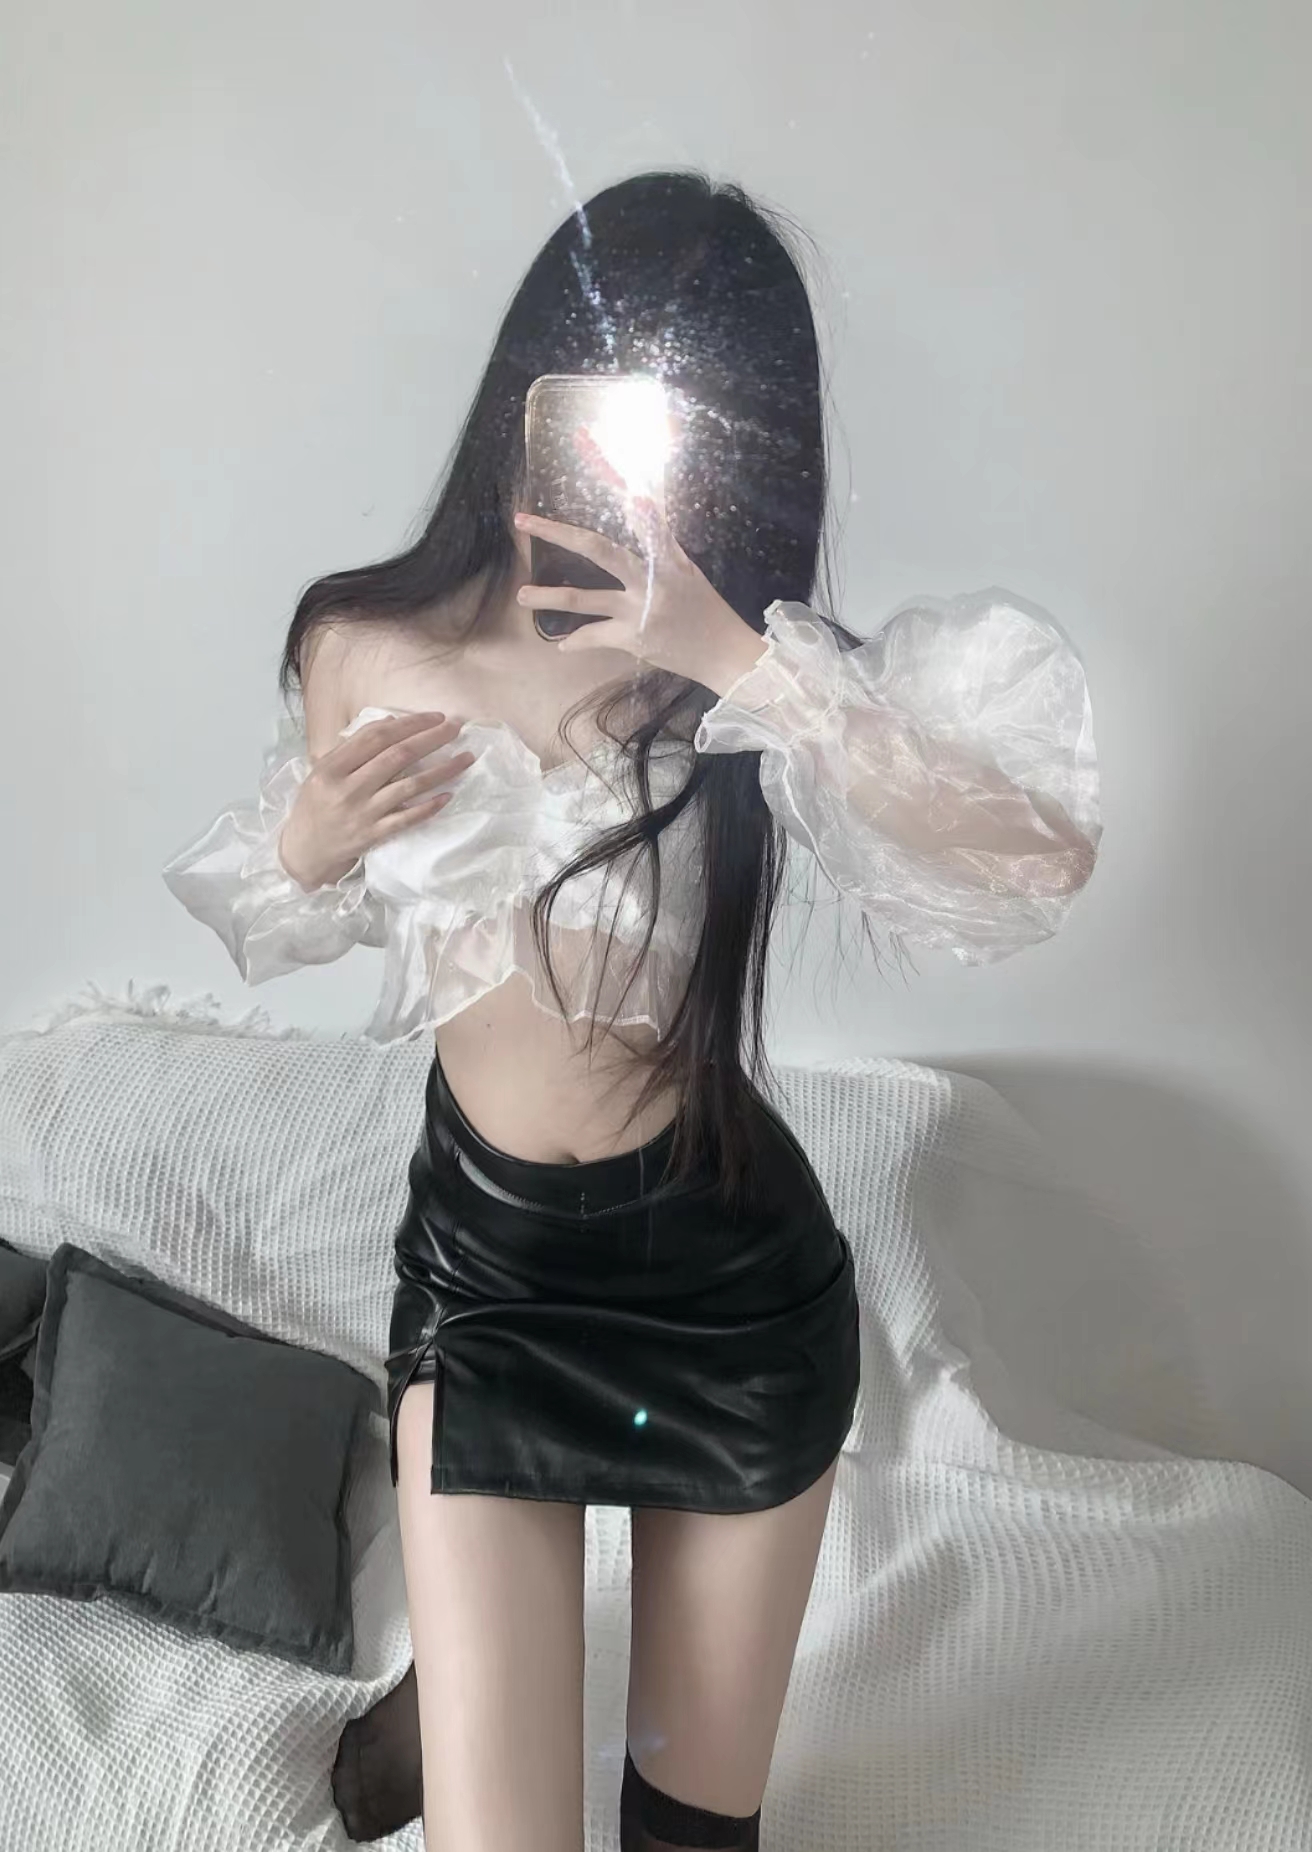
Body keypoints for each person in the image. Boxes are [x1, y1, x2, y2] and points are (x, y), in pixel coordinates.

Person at [162, 169, 1101, 1852]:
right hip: (490, 1287)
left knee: (690, 1837)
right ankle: (453, 1704)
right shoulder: (361, 642)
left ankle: (465, 1700)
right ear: (531, 386)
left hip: (731, 1299)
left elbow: (1033, 858)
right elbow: (277, 908)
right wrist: (304, 845)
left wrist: (744, 662)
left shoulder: (756, 681)